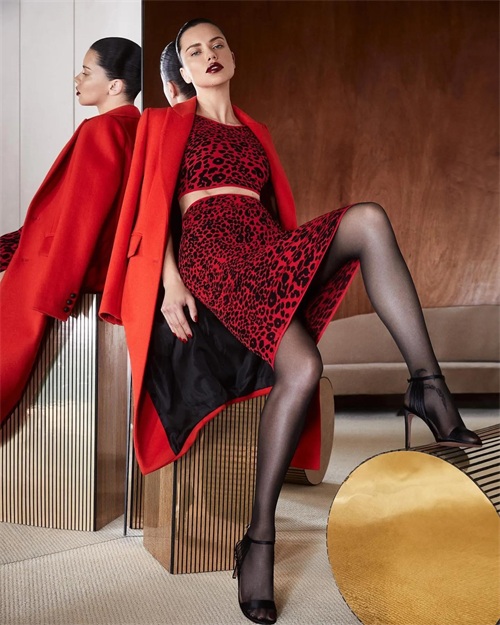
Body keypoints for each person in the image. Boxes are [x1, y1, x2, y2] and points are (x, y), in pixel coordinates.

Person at [100, 19, 481, 624]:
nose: (210, 55)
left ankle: (426, 386)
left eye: (218, 45)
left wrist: (289, 262)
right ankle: (260, 538)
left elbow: (277, 210)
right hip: (211, 254)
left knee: (368, 222)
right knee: (303, 368)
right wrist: (170, 281)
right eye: (195, 51)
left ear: (232, 55)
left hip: (265, 245)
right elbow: (151, 206)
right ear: (184, 70)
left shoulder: (257, 132)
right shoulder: (165, 122)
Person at [0, 37, 141, 423]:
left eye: (86, 71)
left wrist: (56, 292)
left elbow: (82, 215)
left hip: (61, 267)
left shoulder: (102, 129)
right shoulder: (140, 129)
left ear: (115, 85)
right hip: (102, 263)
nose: (77, 79)